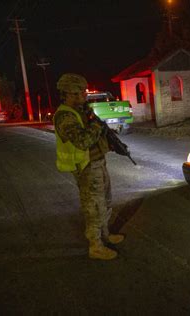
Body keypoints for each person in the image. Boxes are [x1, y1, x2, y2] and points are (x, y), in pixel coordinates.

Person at [54, 73, 124, 260]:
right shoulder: (65, 116)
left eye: (82, 93)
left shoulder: (81, 111)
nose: (82, 97)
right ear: (66, 94)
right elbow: (83, 141)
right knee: (94, 207)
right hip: (85, 167)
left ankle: (105, 235)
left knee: (105, 202)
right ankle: (96, 246)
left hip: (97, 163)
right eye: (77, 94)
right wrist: (95, 125)